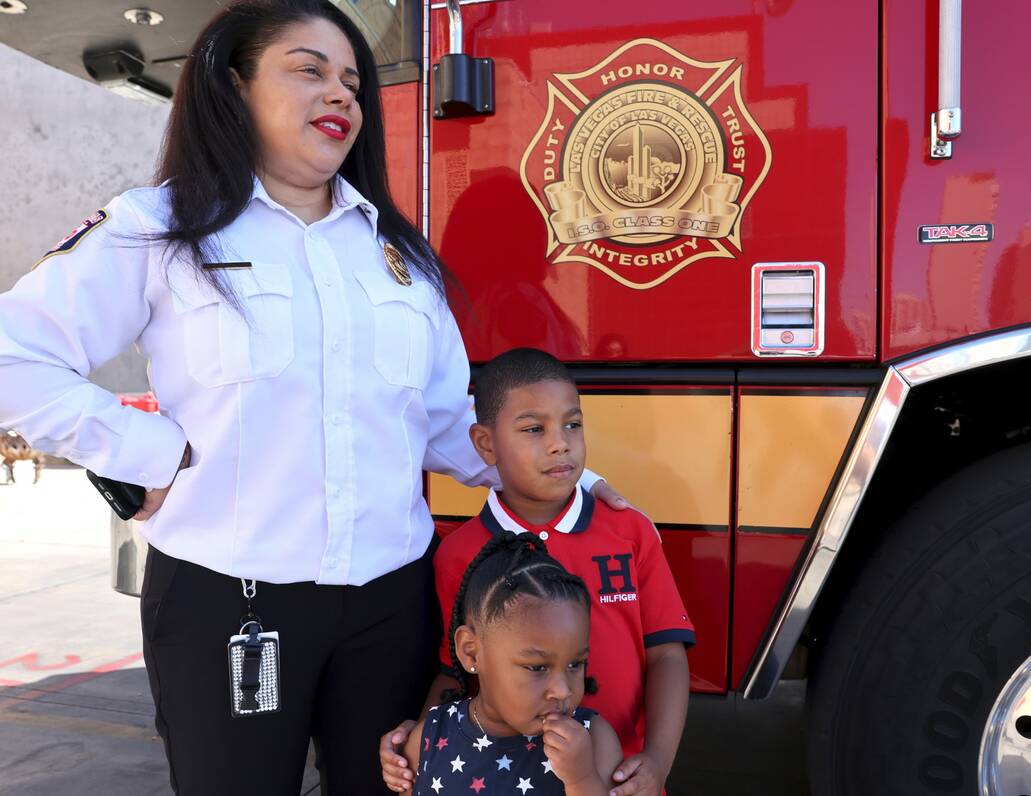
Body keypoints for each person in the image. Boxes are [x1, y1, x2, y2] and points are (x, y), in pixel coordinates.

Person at [0, 2, 624, 793]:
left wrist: (578, 486)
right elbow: (13, 355)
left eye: (354, 84)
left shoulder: (398, 260)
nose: (341, 97)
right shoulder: (159, 229)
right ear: (234, 85)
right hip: (228, 601)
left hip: (392, 604)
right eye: (310, 70)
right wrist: (145, 454)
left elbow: (445, 428)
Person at [381, 348, 692, 796]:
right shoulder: (459, 554)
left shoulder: (630, 531)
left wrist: (658, 762)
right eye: (533, 429)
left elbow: (666, 654)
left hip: (622, 778)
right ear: (486, 444)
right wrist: (417, 747)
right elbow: (455, 671)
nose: (559, 443)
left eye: (572, 424)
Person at [397, 535, 624, 796]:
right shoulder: (430, 738)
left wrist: (581, 779)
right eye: (537, 667)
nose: (562, 691)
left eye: (575, 664)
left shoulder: (594, 741)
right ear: (471, 652)